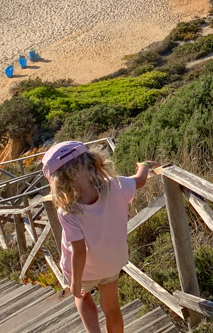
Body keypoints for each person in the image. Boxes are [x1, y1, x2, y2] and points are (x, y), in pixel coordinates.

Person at [43, 141, 160, 333]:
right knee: (112, 308)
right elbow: (140, 180)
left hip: (84, 270)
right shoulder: (116, 186)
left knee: (82, 296)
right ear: (91, 162)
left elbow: (79, 251)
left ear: (57, 181)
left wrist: (75, 282)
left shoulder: (67, 211)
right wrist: (144, 166)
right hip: (111, 262)